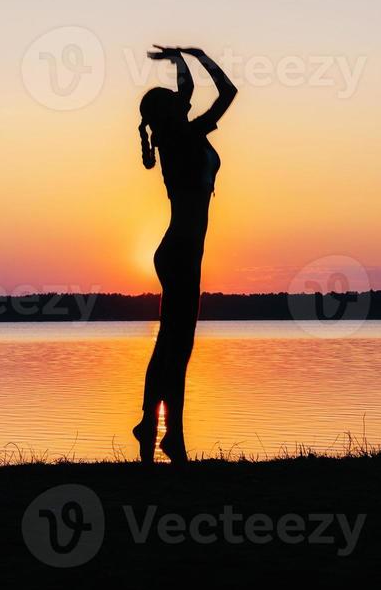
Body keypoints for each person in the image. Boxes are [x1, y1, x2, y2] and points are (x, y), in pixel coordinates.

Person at [132, 45, 237, 464]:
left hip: (182, 252)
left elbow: (187, 88)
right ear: (168, 113)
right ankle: (161, 430)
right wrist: (199, 54)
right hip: (180, 253)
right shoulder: (185, 136)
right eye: (176, 102)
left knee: (175, 345)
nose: (183, 100)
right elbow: (227, 92)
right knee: (175, 345)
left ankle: (163, 430)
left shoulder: (178, 135)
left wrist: (178, 59)